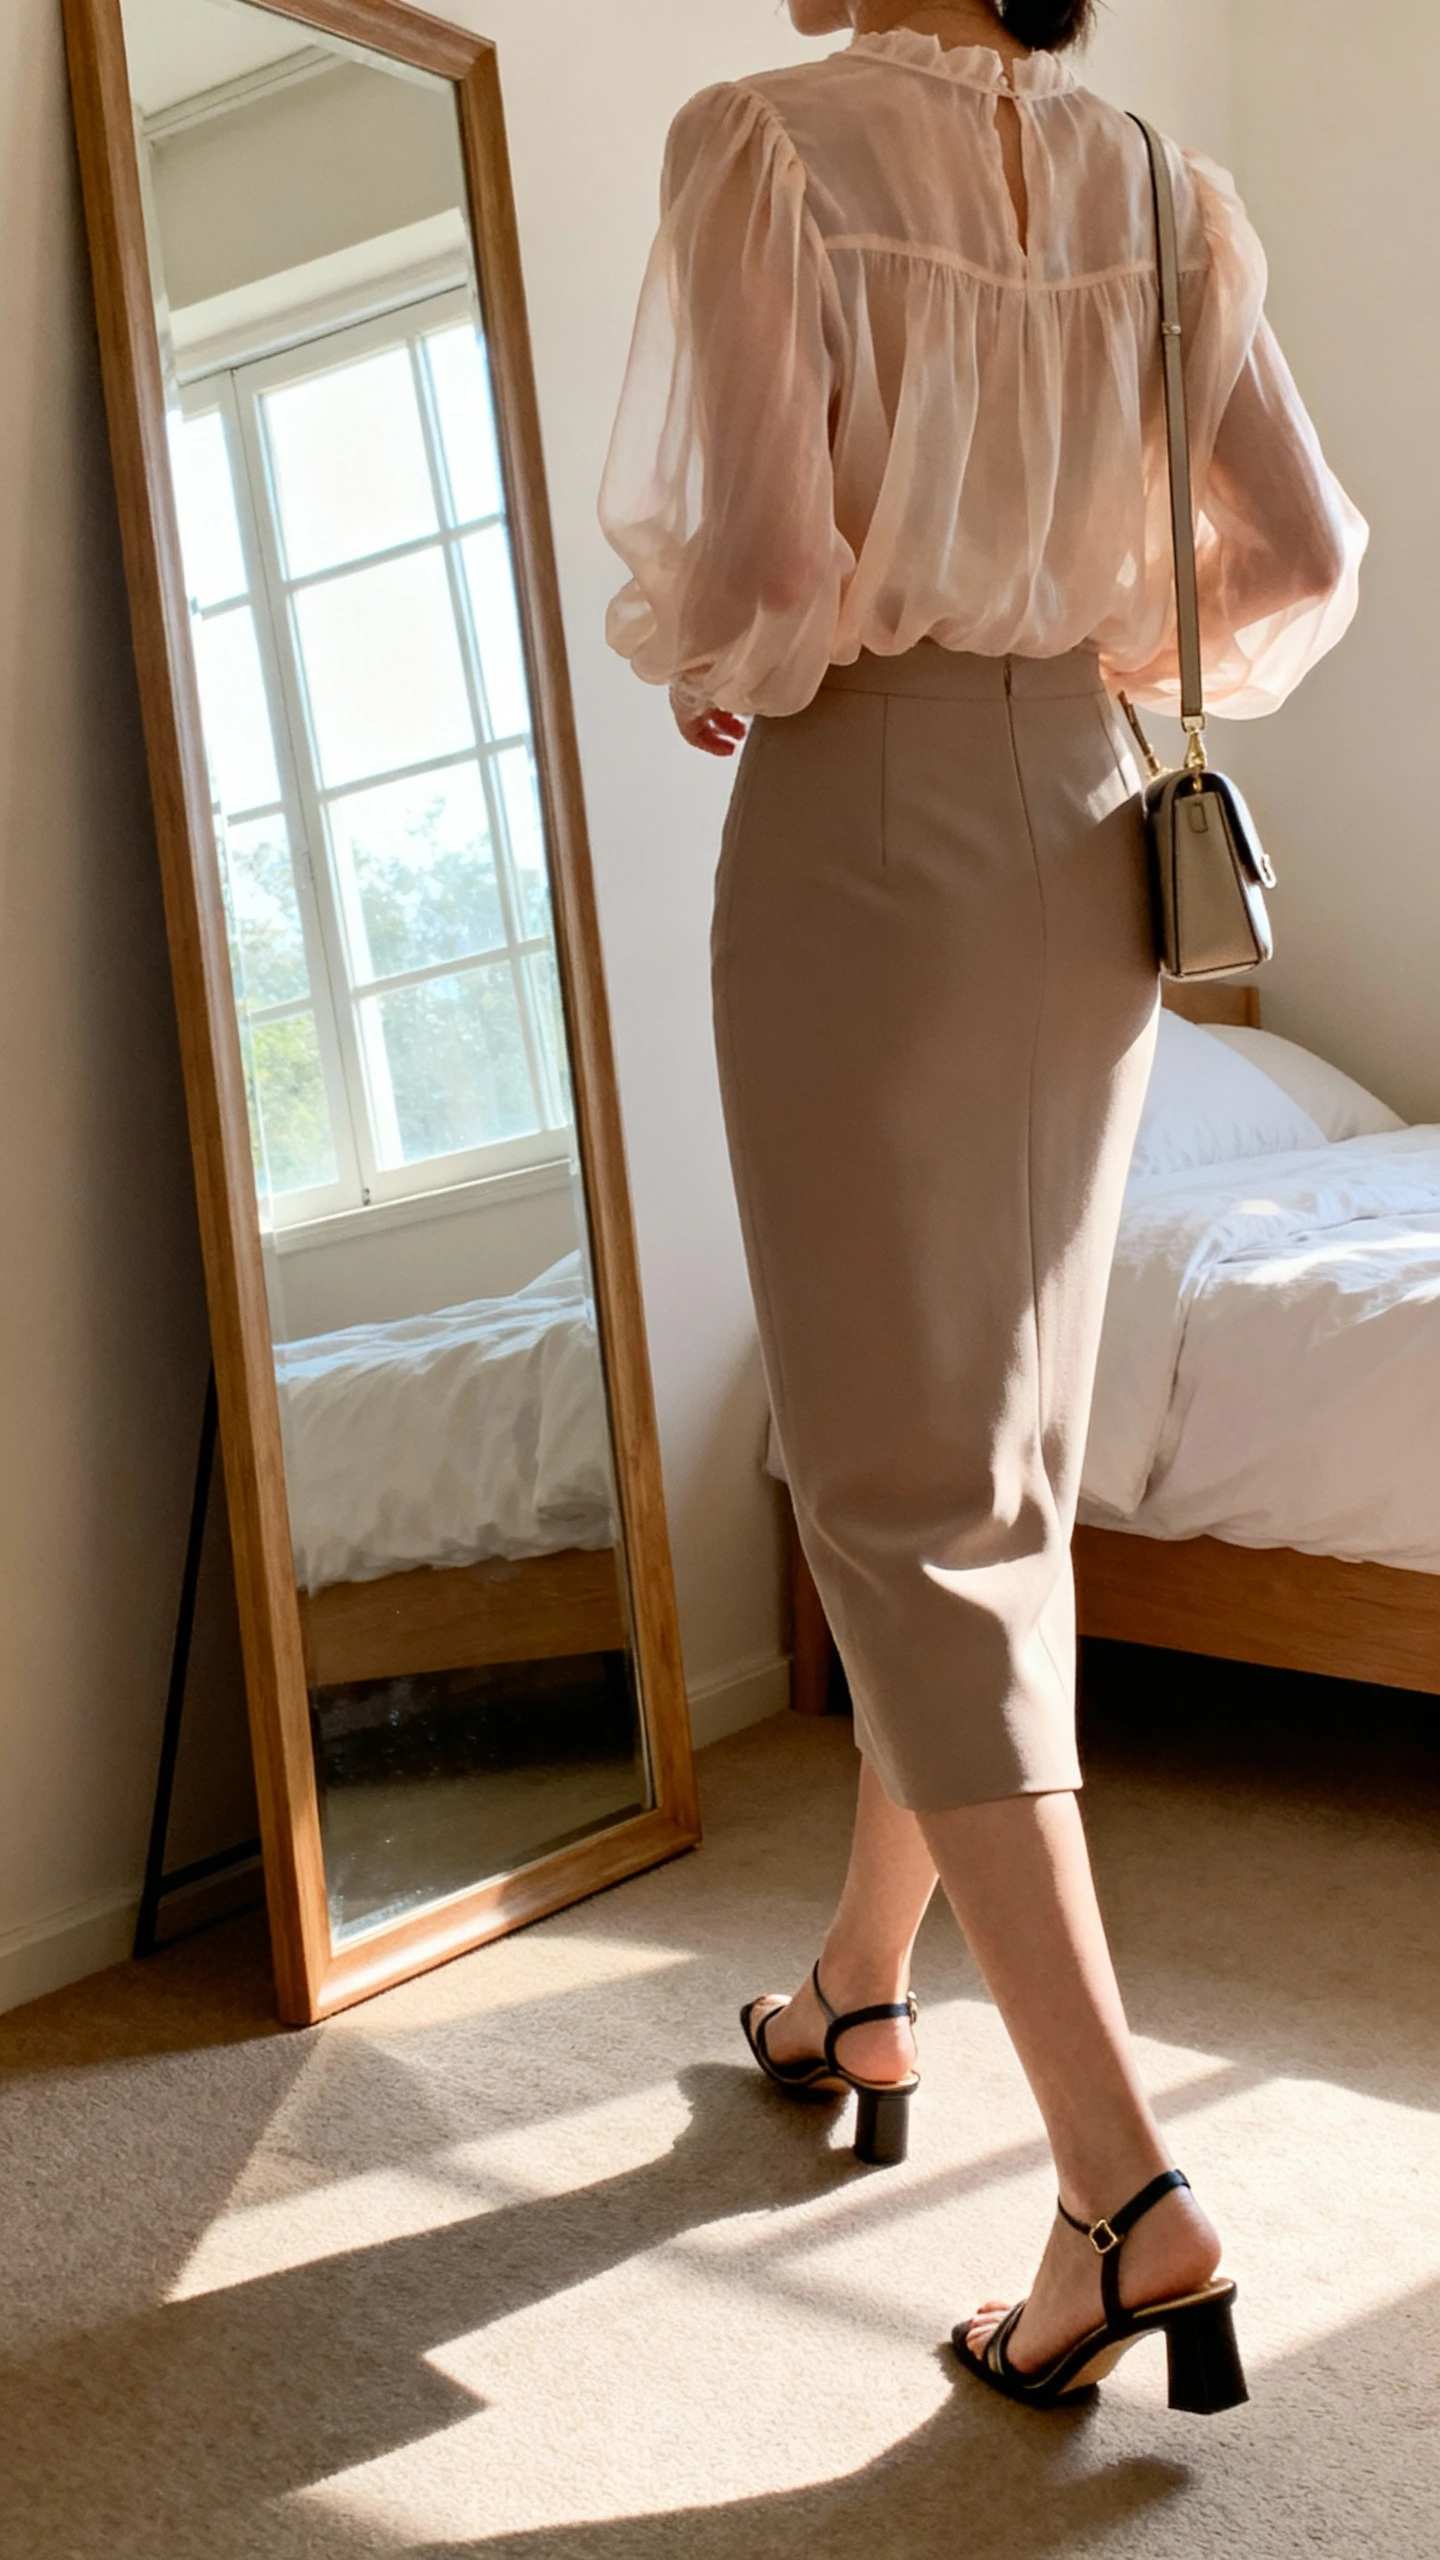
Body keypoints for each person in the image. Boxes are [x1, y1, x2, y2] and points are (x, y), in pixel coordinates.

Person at [601, 0, 1364, 2411]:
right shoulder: (1165, 191)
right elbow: (1312, 550)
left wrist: (740, 660)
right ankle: (857, 1976)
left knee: (895, 1477)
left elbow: (749, 569)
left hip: (868, 833)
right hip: (1088, 834)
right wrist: (1097, 649)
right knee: (991, 1471)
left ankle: (1126, 2184)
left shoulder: (767, 145)